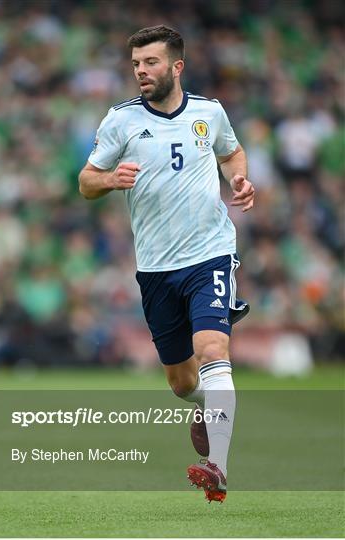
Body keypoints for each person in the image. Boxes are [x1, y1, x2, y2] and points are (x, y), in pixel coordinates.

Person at [79, 25, 255, 504]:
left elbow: (232, 152)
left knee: (213, 347)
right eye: (136, 64)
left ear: (176, 66)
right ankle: (205, 407)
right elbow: (86, 181)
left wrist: (238, 180)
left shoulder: (208, 112)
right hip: (156, 267)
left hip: (210, 252)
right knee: (181, 384)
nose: (141, 71)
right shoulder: (120, 121)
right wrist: (110, 179)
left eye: (151, 62)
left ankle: (217, 467)